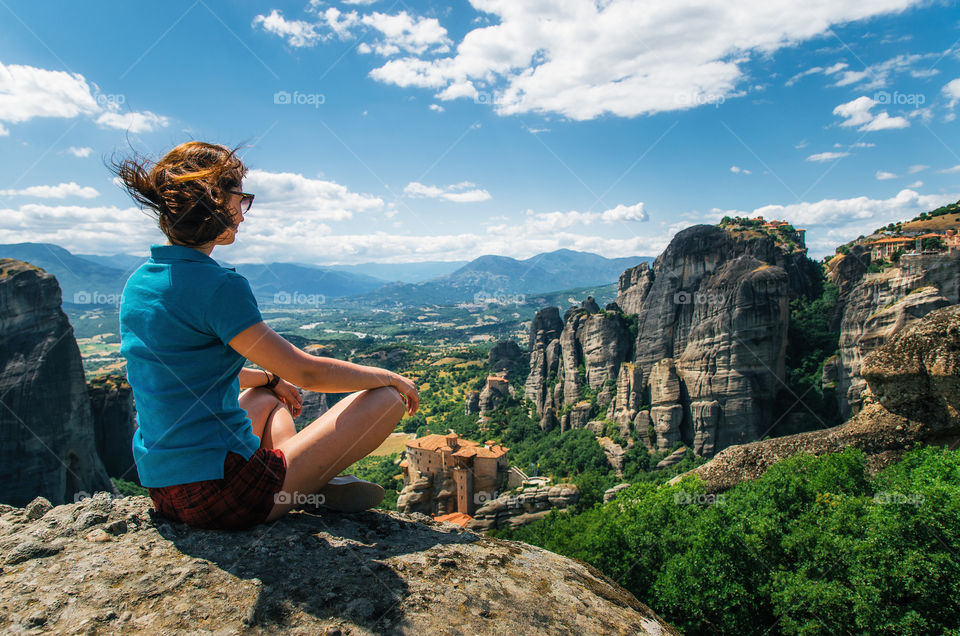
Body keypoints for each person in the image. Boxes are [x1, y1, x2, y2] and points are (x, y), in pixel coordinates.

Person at [113, 141, 419, 531]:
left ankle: (302, 480)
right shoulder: (219, 285)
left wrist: (270, 379)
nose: (242, 214)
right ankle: (306, 485)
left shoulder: (139, 283)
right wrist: (389, 377)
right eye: (240, 200)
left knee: (265, 396)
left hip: (165, 489)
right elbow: (306, 372)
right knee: (389, 400)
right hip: (223, 493)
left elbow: (182, 376)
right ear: (216, 203)